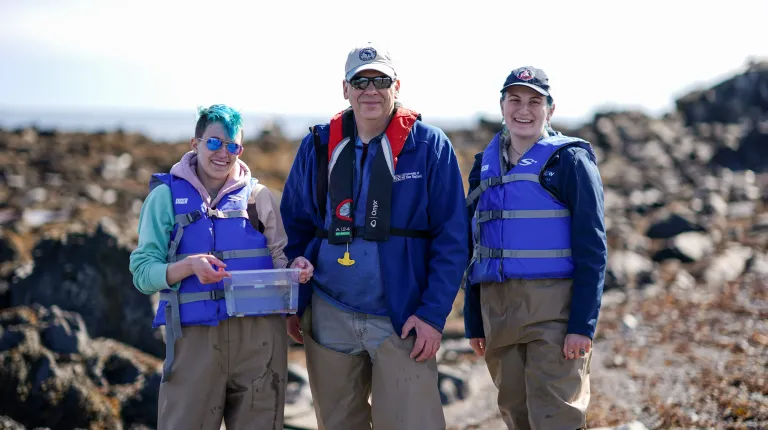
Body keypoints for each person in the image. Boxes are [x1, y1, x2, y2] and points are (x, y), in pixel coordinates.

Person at [279, 44, 468, 430]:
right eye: (360, 80)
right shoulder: (317, 145)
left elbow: (452, 239)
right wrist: (294, 303)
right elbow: (292, 228)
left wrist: (432, 315)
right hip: (330, 312)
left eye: (380, 80)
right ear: (345, 89)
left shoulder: (430, 147)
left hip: (403, 317)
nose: (371, 89)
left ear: (396, 86)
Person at [129, 104, 314, 430]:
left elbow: (281, 262)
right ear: (195, 143)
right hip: (194, 341)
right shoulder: (165, 198)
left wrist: (296, 268)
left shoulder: (260, 199)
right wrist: (188, 266)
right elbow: (143, 273)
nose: (223, 153)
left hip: (261, 343)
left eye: (233, 146)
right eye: (214, 142)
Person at [463, 67, 607, 430]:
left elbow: (593, 248)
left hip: (554, 309)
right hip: (496, 309)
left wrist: (583, 325)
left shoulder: (570, 162)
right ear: (502, 105)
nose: (523, 110)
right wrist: (473, 319)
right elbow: (475, 245)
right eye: (515, 100)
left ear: (550, 110)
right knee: (516, 414)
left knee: (556, 416)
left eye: (534, 101)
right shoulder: (483, 165)